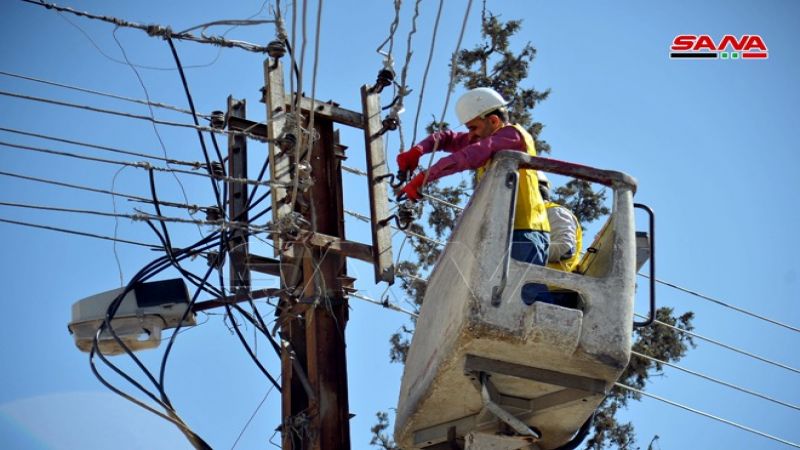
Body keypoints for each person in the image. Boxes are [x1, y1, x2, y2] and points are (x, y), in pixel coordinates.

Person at [396, 87, 550, 303]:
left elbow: (470, 155)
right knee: (507, 301)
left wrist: (424, 177)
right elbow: (448, 138)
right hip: (506, 232)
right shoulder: (488, 137)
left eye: (474, 128)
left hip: (525, 230)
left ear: (494, 121)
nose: (471, 135)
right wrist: (419, 150)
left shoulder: (511, 136)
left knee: (529, 297)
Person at [538, 172, 582, 273]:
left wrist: (523, 250)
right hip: (528, 279)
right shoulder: (529, 216)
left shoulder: (554, 211)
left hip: (550, 284)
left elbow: (565, 248)